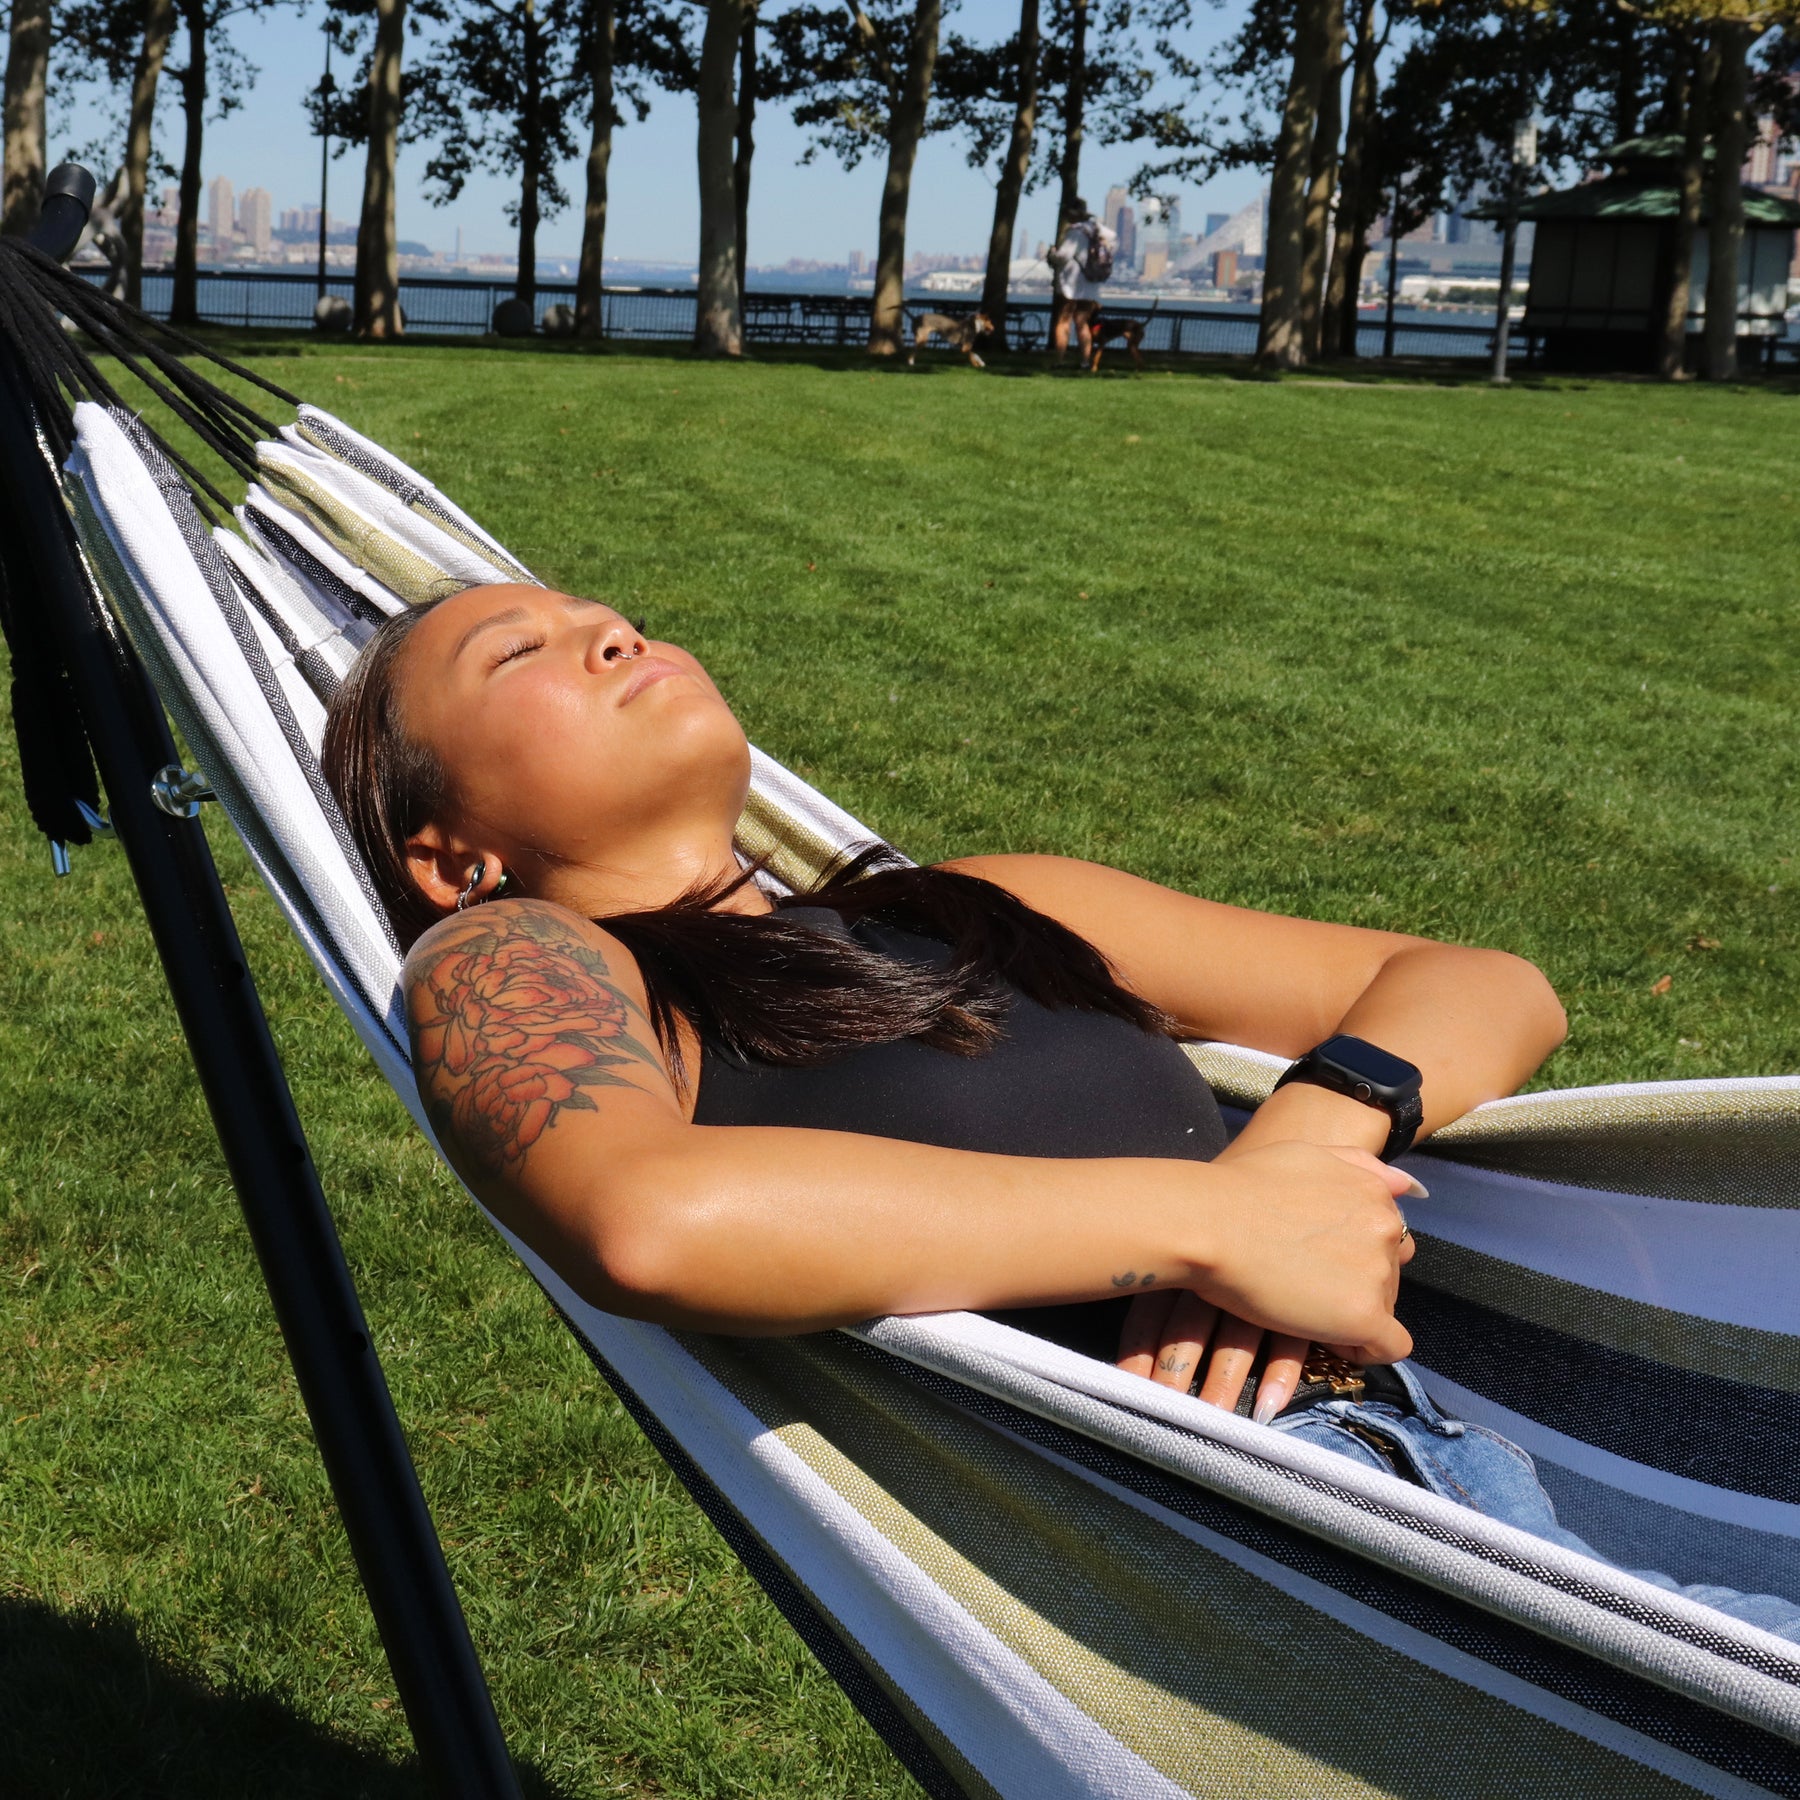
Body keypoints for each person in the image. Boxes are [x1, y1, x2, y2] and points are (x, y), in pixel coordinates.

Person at [322, 584, 1800, 1637]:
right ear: (455, 860)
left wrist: (1307, 1138)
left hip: (1470, 1483)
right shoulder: (519, 960)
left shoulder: (993, 905)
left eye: (607, 618)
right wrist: (1210, 1222)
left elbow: (1482, 984)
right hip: (1258, 1555)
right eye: (525, 650)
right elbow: (644, 1222)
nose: (610, 632)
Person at [1046, 199, 1116, 369]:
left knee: (1063, 321)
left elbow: (1063, 256)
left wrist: (1051, 254)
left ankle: (1059, 360)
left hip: (1071, 283)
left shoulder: (1075, 231)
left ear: (1073, 213)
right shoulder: (1097, 229)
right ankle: (1085, 361)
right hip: (1091, 283)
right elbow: (1113, 239)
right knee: (1082, 323)